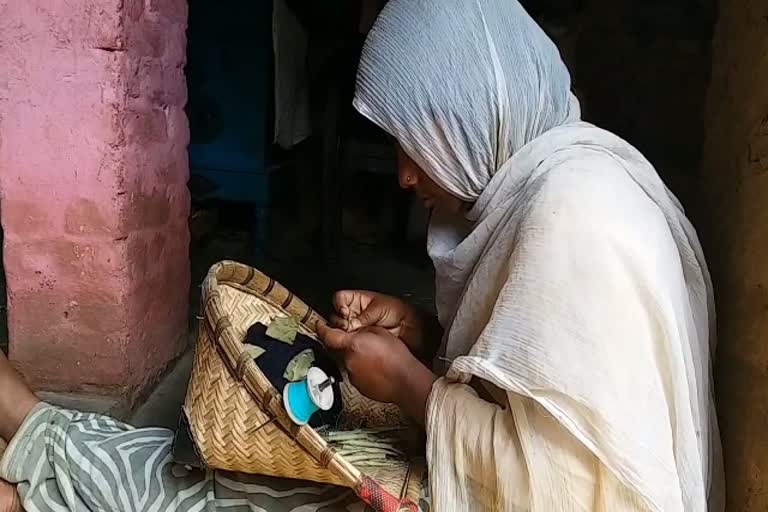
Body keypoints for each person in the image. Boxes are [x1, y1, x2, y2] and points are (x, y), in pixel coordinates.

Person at [0, 0, 723, 511]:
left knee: (227, 494)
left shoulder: (577, 223)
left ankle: (31, 452)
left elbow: (570, 493)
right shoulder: (563, 178)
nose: (406, 175)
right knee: (232, 470)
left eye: (413, 142)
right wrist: (420, 332)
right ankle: (34, 429)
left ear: (470, 116)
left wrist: (411, 385)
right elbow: (547, 392)